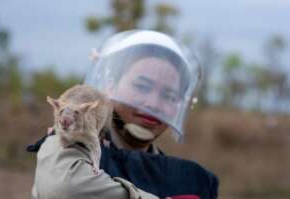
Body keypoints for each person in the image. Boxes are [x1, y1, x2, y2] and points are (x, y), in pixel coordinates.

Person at [28, 30, 218, 199]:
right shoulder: (71, 141)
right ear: (110, 87)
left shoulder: (182, 178)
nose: (153, 103)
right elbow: (65, 189)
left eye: (169, 95)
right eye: (141, 87)